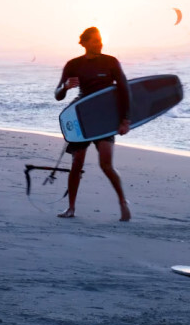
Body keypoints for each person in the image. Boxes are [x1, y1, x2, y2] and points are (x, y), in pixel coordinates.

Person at [53, 26, 131, 221]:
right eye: (95, 40)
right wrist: (65, 87)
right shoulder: (73, 64)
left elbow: (125, 90)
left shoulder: (111, 62)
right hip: (82, 117)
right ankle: (71, 208)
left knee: (106, 164)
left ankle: (123, 202)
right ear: (85, 43)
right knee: (76, 163)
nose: (100, 44)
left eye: (100, 40)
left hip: (105, 118)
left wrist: (125, 120)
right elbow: (57, 94)